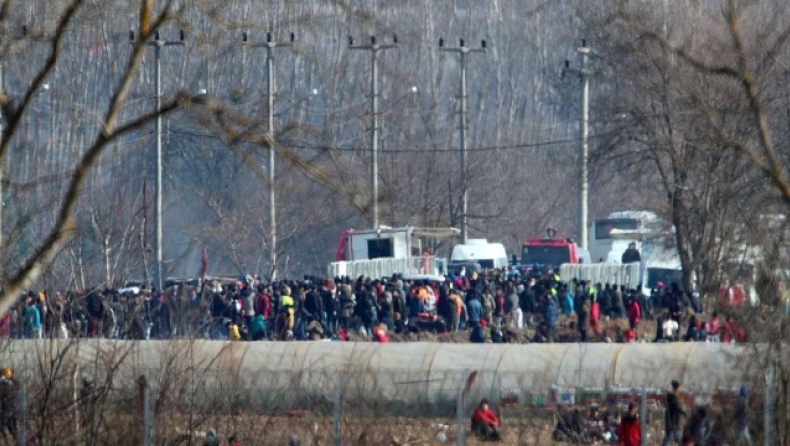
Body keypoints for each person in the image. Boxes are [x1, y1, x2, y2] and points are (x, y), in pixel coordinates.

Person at [662, 380, 687, 446]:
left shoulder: (673, 397)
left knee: (676, 439)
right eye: (679, 387)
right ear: (676, 388)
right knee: (670, 438)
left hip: (674, 423)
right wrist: (683, 412)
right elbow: (676, 409)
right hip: (672, 423)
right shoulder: (672, 397)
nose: (680, 389)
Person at [0, 367, 17, 442]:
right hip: (11, 409)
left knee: (9, 426)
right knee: (12, 428)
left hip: (6, 410)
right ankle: (16, 440)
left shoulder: (4, 383)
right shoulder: (10, 383)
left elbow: (4, 399)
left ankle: (15, 440)